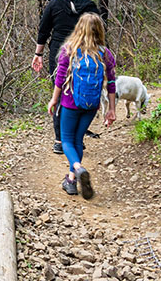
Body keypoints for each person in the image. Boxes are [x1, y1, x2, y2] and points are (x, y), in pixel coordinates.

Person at [31, 0, 105, 153]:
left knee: (60, 93)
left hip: (59, 54)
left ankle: (60, 140)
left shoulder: (54, 4)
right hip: (84, 54)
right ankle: (75, 138)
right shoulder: (89, 6)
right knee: (80, 91)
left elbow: (43, 31)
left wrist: (38, 54)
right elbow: (99, 31)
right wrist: (102, 55)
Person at [48, 13, 116, 198]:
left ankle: (78, 168)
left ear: (78, 29)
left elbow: (60, 78)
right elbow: (111, 83)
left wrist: (54, 100)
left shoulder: (69, 50)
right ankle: (71, 180)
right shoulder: (105, 54)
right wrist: (111, 109)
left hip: (70, 102)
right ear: (99, 30)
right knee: (78, 140)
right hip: (91, 105)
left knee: (66, 140)